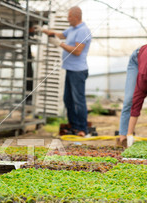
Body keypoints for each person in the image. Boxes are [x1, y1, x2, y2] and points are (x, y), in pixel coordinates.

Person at [35, 6, 92, 137]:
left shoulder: (83, 31)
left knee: (78, 100)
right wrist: (44, 30)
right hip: (70, 69)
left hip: (78, 71)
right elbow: (59, 35)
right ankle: (74, 126)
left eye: (69, 16)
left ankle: (83, 128)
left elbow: (77, 51)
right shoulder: (72, 29)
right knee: (68, 99)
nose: (68, 19)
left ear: (76, 16)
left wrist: (59, 44)